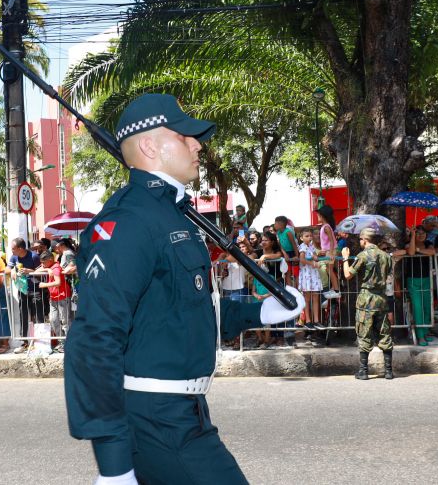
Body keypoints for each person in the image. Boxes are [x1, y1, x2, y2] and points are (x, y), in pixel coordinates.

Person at [64, 93, 301, 484]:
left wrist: (259, 312)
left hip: (185, 411)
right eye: (183, 136)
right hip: (155, 420)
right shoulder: (129, 221)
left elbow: (182, 310)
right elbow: (94, 340)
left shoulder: (172, 214)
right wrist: (113, 465)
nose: (197, 145)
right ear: (149, 146)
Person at [341, 227, 394, 380]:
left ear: (364, 239)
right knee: (384, 332)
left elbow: (348, 275)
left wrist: (345, 258)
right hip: (381, 299)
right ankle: (388, 371)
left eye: (360, 239)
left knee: (364, 332)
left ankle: (363, 371)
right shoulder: (386, 256)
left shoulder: (362, 255)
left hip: (366, 298)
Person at [7, 237, 42, 354]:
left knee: (38, 315)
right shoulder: (14, 257)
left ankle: (41, 342)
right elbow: (6, 269)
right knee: (23, 315)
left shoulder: (34, 256)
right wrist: (12, 271)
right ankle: (24, 343)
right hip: (22, 290)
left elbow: (42, 272)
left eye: (13, 248)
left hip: (35, 290)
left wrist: (29, 271)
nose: (11, 250)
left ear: (20, 248)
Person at [405, 226, 436, 345]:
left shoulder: (428, 243)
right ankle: (420, 335)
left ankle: (426, 330)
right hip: (413, 280)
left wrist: (418, 249)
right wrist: (413, 238)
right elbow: (411, 252)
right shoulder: (408, 244)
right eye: (418, 233)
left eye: (423, 233)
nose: (421, 235)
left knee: (427, 306)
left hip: (427, 279)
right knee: (417, 308)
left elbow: (432, 252)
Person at [37, 250, 72, 352]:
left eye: (44, 262)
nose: (42, 265)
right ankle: (62, 342)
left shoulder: (56, 268)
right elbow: (37, 270)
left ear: (50, 259)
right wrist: (47, 269)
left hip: (62, 297)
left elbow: (58, 282)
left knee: (65, 321)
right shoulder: (50, 267)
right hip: (53, 298)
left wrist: (44, 285)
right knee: (53, 319)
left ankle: (69, 343)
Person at [298, 228, 324, 330]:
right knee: (307, 299)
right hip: (306, 275)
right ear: (301, 238)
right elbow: (302, 259)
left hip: (313, 274)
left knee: (315, 297)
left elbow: (314, 256)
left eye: (310, 236)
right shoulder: (302, 247)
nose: (309, 237)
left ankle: (316, 320)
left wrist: (316, 256)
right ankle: (308, 320)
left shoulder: (311, 246)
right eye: (306, 236)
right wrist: (312, 263)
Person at [315, 204, 341, 299]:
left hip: (330, 251)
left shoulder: (326, 227)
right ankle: (334, 288)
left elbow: (331, 240)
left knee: (329, 270)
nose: (317, 217)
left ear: (322, 216)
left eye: (318, 215)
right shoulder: (325, 226)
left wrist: (330, 252)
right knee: (328, 269)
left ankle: (336, 290)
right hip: (328, 251)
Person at [274, 215, 300, 286]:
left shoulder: (288, 232)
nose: (274, 225)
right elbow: (280, 245)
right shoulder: (278, 233)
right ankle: (290, 289)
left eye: (275, 223)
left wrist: (296, 256)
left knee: (295, 273)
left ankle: (298, 289)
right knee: (287, 272)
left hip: (293, 252)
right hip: (285, 253)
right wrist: (284, 253)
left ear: (281, 224)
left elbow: (294, 245)